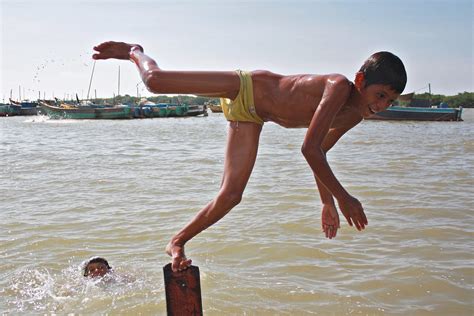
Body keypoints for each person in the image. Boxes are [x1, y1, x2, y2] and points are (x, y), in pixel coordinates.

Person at [92, 41, 406, 272]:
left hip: (251, 118)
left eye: (390, 101)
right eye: (380, 96)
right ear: (361, 81)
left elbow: (320, 152)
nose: (382, 106)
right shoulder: (337, 87)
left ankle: (177, 242)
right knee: (155, 82)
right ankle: (134, 50)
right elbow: (309, 150)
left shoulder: (354, 116)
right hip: (246, 87)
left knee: (231, 196)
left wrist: (327, 202)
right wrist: (342, 198)